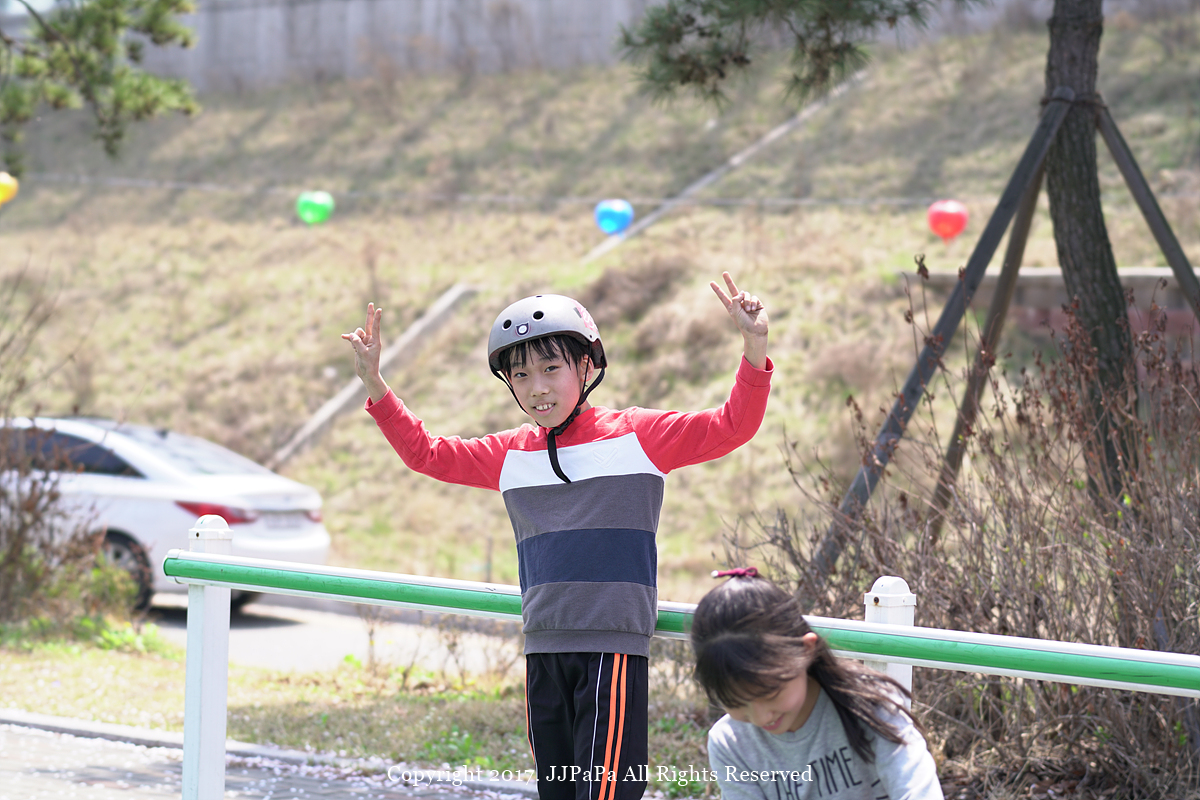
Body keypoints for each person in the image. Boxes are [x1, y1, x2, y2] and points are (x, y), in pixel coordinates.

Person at [341, 272, 773, 800]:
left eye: (551, 368)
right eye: (521, 375)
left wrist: (754, 346)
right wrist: (375, 384)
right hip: (543, 646)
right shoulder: (509, 453)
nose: (538, 388)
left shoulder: (638, 435)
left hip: (611, 648)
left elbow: (733, 426)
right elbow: (426, 454)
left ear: (587, 365)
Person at [691, 568, 943, 800]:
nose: (760, 717)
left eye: (769, 694)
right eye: (736, 703)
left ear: (805, 650)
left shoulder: (870, 705)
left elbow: (918, 791)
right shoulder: (730, 743)